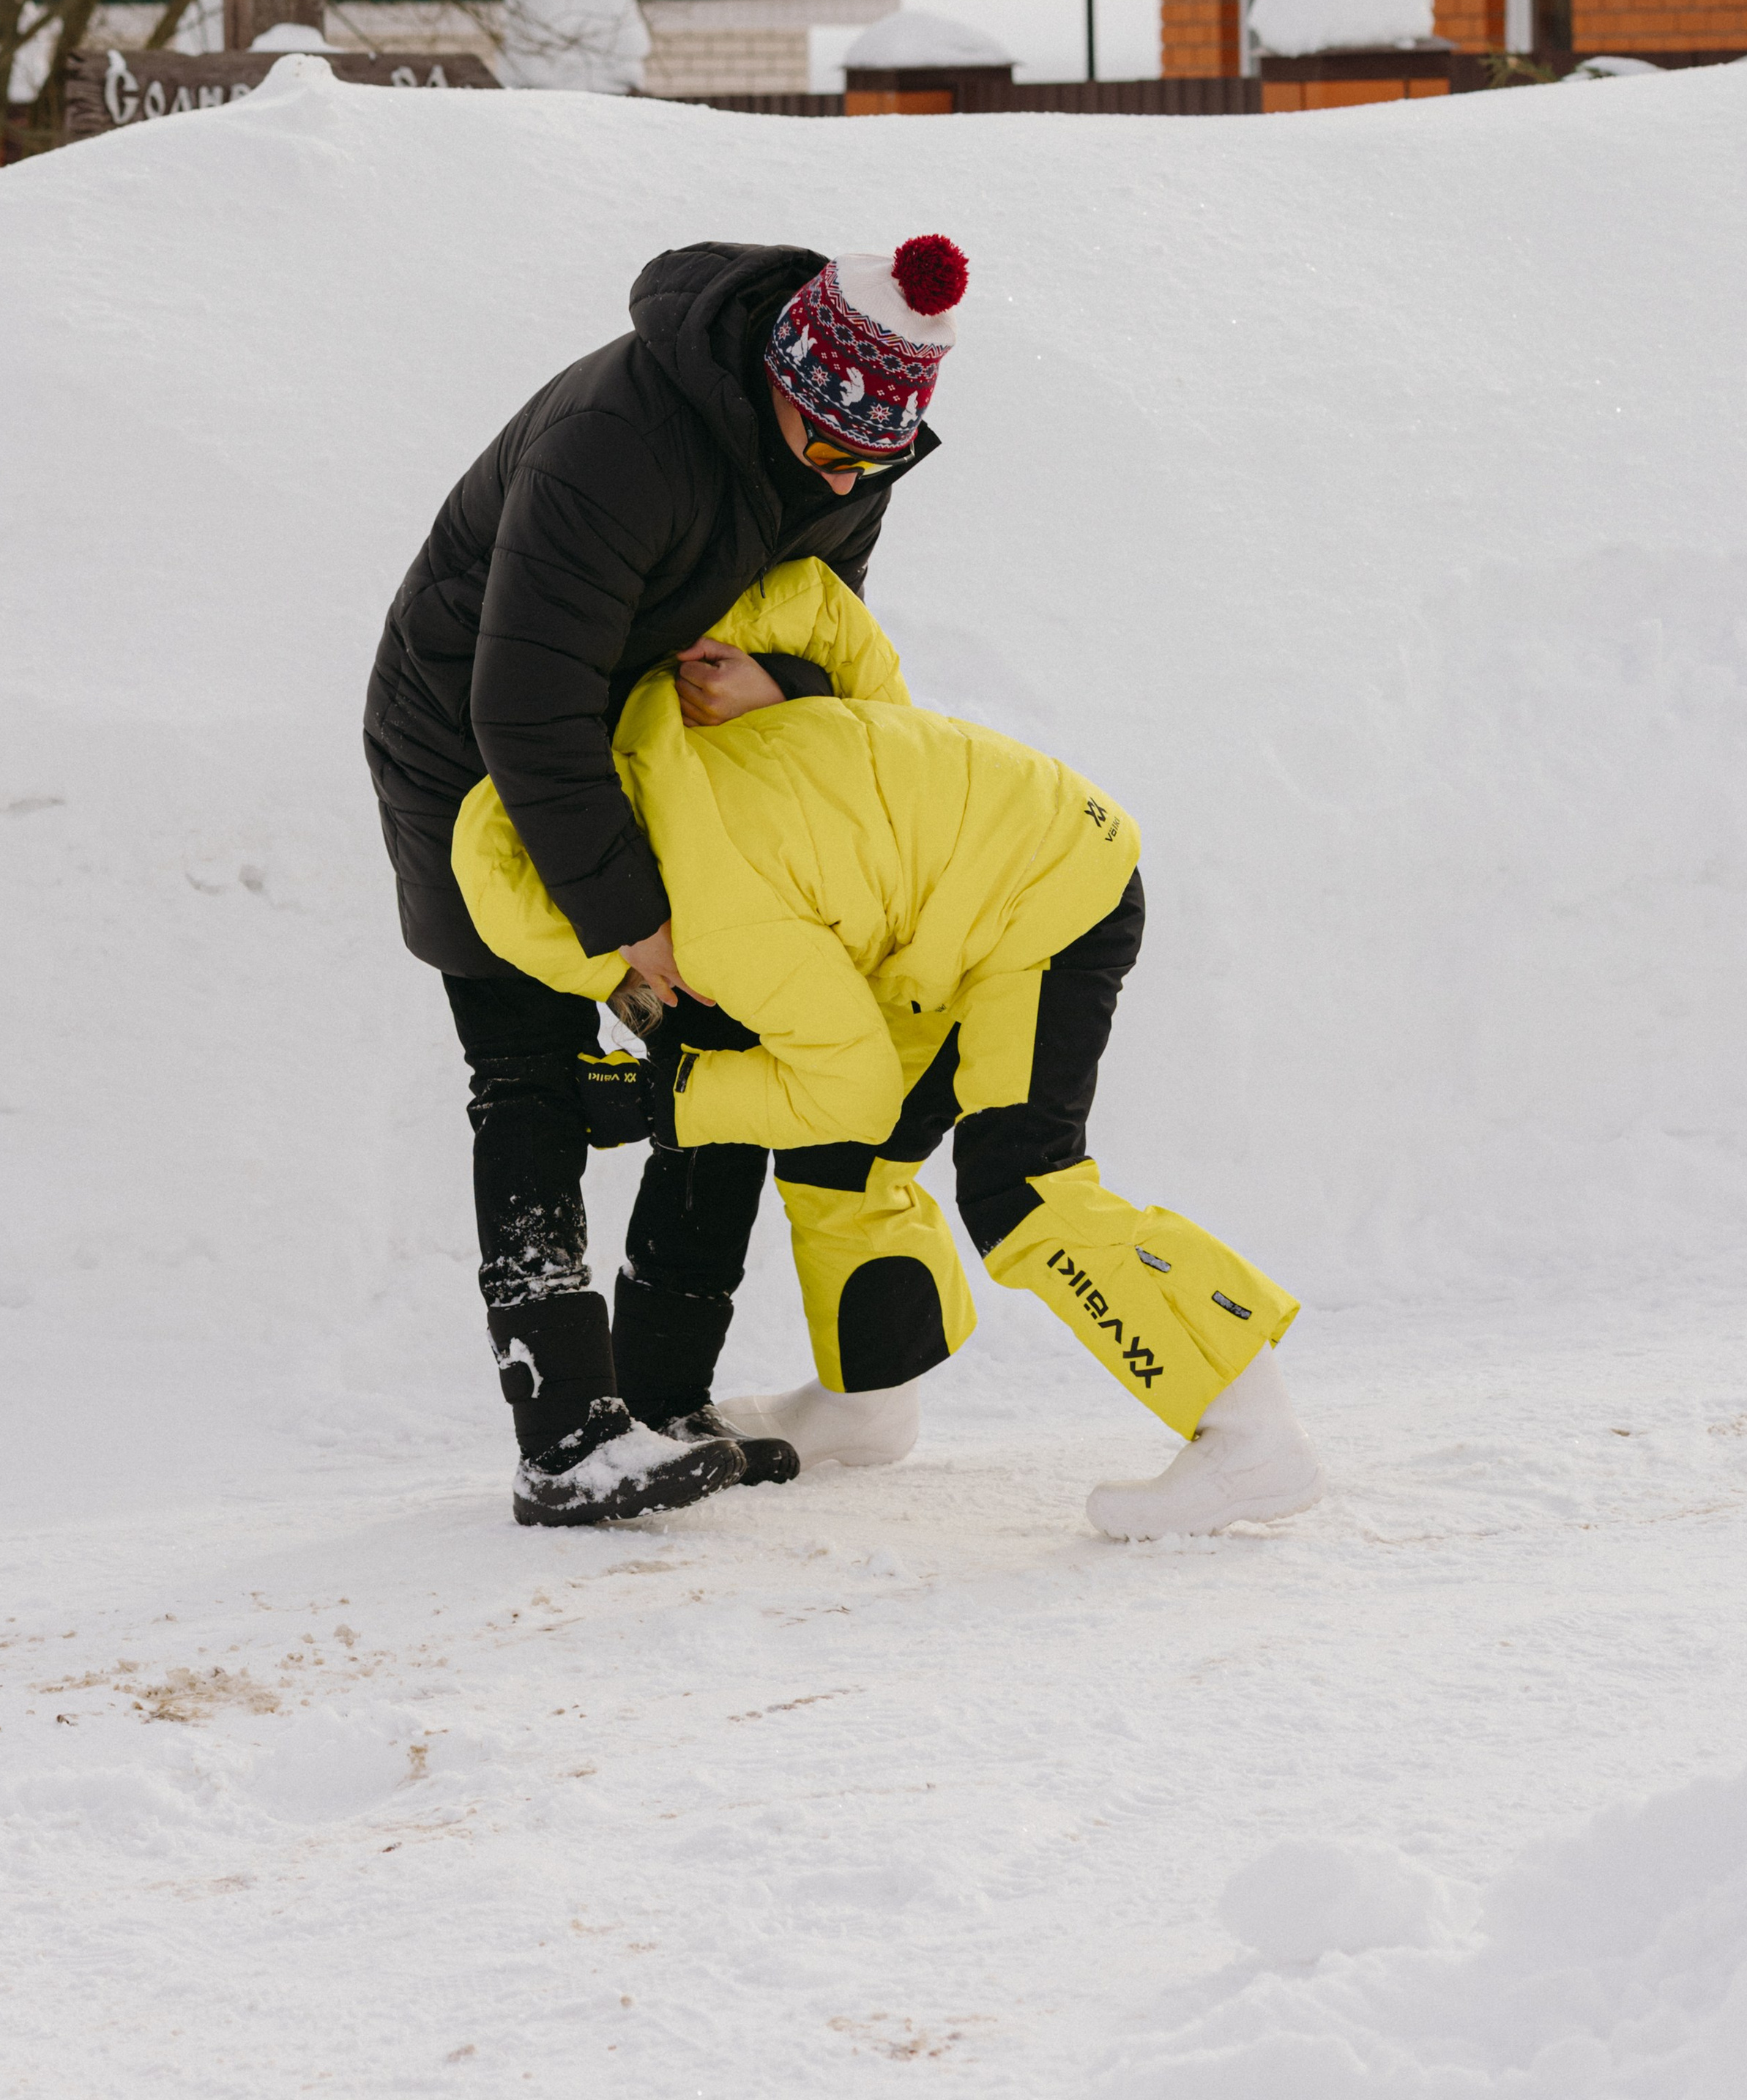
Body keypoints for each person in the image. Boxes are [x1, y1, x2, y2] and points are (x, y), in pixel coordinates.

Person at [453, 566, 1325, 1540]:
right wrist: (787, 679)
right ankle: (867, 1401)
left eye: (619, 972)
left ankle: (1249, 1429)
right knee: (844, 1164)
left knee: (1023, 1187)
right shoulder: (657, 726)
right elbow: (816, 601)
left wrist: (668, 1101)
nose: (649, 992)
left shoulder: (715, 912)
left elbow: (849, 1083)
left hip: (1049, 897)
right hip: (945, 901)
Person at [364, 235, 967, 1524]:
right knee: (521, 1061)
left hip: (652, 743)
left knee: (739, 1021)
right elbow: (524, 704)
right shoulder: (619, 437)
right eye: (828, 445)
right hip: (471, 749)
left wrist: (784, 690)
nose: (847, 477)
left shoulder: (853, 446)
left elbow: (815, 634)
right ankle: (568, 1433)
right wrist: (632, 922)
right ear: (779, 376)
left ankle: (661, 1396)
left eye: (874, 459)